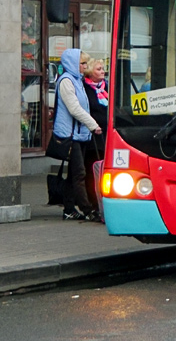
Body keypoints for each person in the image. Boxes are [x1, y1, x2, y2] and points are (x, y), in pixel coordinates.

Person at [51, 47, 101, 221]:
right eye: (82, 63)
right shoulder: (67, 81)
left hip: (79, 133)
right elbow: (74, 108)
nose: (84, 67)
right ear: (72, 63)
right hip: (70, 135)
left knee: (74, 174)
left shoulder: (77, 80)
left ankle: (69, 209)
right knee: (79, 173)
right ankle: (87, 210)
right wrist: (93, 125)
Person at [81, 58, 109, 221]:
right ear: (91, 72)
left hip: (107, 136)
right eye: (99, 69)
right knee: (92, 172)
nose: (102, 71)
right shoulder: (86, 89)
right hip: (93, 136)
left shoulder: (106, 88)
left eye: (103, 69)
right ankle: (94, 203)